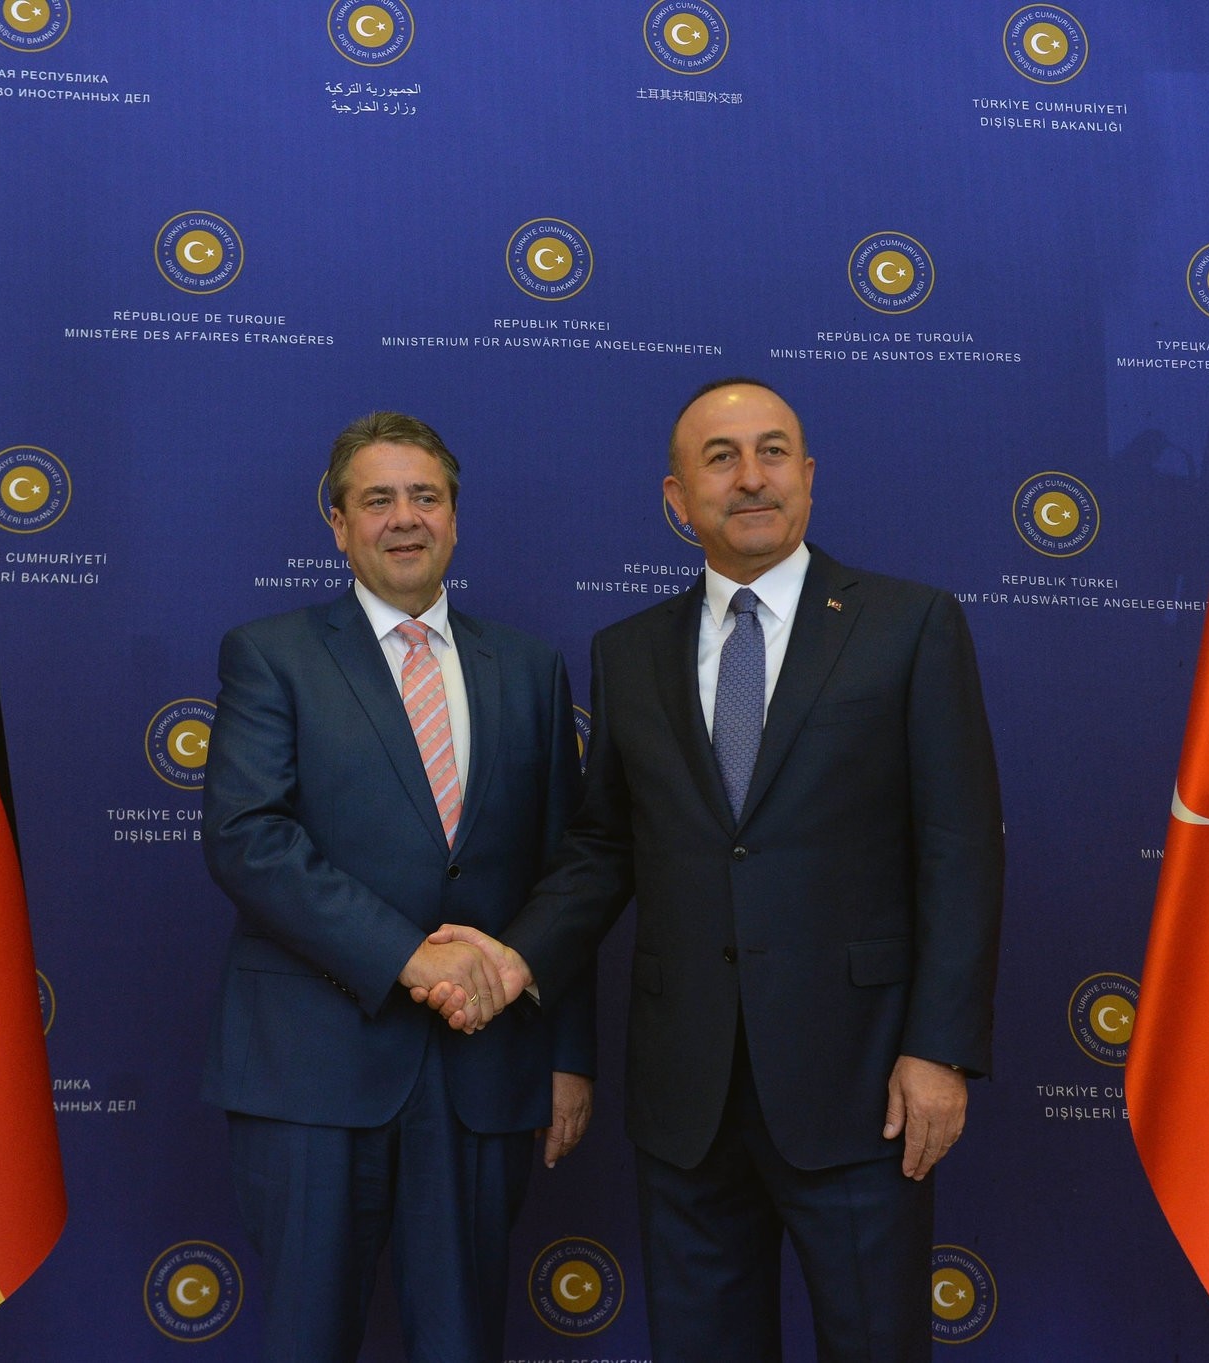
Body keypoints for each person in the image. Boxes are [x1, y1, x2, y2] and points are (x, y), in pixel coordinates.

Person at [418, 379, 1004, 1361]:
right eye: (720, 458)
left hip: (860, 1082)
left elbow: (961, 848)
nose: (750, 478)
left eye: (772, 452)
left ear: (808, 476)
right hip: (685, 1096)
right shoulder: (628, 652)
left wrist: (939, 1048)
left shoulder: (910, 625)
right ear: (675, 499)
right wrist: (514, 959)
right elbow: (605, 846)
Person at [200, 411, 595, 1362]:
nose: (405, 517)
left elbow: (567, 871)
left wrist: (568, 1054)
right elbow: (248, 839)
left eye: (426, 496)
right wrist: (409, 956)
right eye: (378, 499)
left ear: (455, 517)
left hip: (483, 1076)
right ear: (338, 524)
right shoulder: (271, 654)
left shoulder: (530, 669)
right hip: (313, 1071)